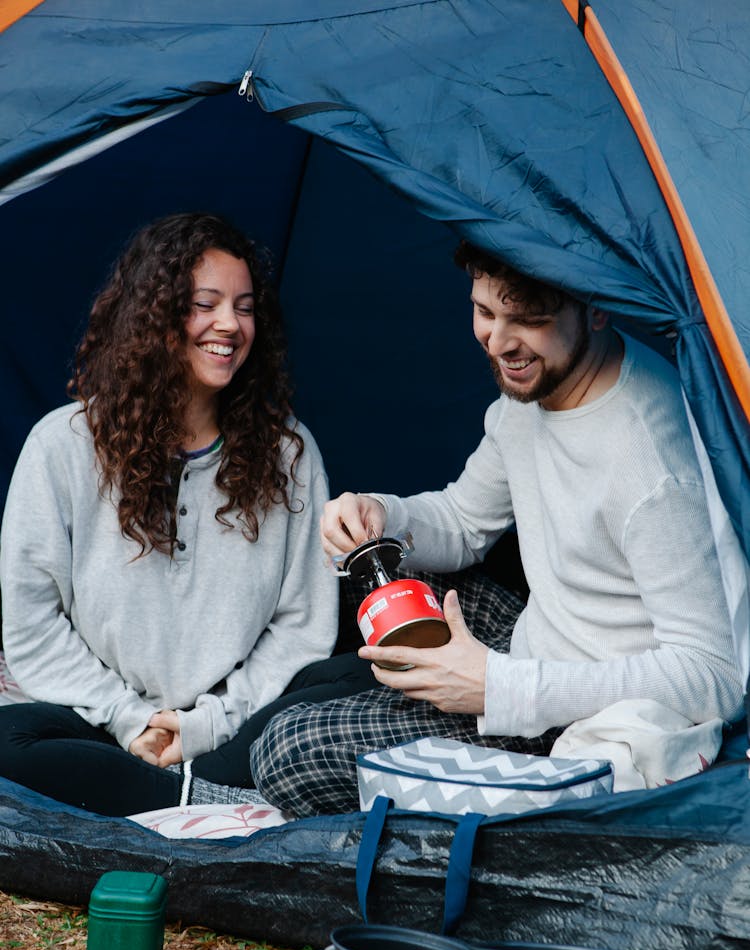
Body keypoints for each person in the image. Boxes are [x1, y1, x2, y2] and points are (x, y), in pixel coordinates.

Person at [246, 241, 745, 817]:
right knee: (385, 572)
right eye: (485, 312)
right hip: (541, 641)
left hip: (581, 717)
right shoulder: (537, 390)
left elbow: (716, 677)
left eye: (529, 320)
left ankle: (210, 776)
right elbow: (462, 521)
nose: (501, 342)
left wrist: (501, 688)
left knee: (286, 750)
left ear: (598, 307)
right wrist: (383, 514)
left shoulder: (649, 463)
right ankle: (370, 697)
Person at [0, 212, 371, 817]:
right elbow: (33, 623)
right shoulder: (63, 444)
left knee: (361, 675)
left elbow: (302, 628)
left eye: (245, 307)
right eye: (207, 303)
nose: (230, 324)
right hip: (101, 720)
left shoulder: (289, 452)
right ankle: (190, 797)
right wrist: (132, 718)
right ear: (154, 314)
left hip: (235, 730)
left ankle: (160, 789)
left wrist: (206, 725)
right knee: (6, 741)